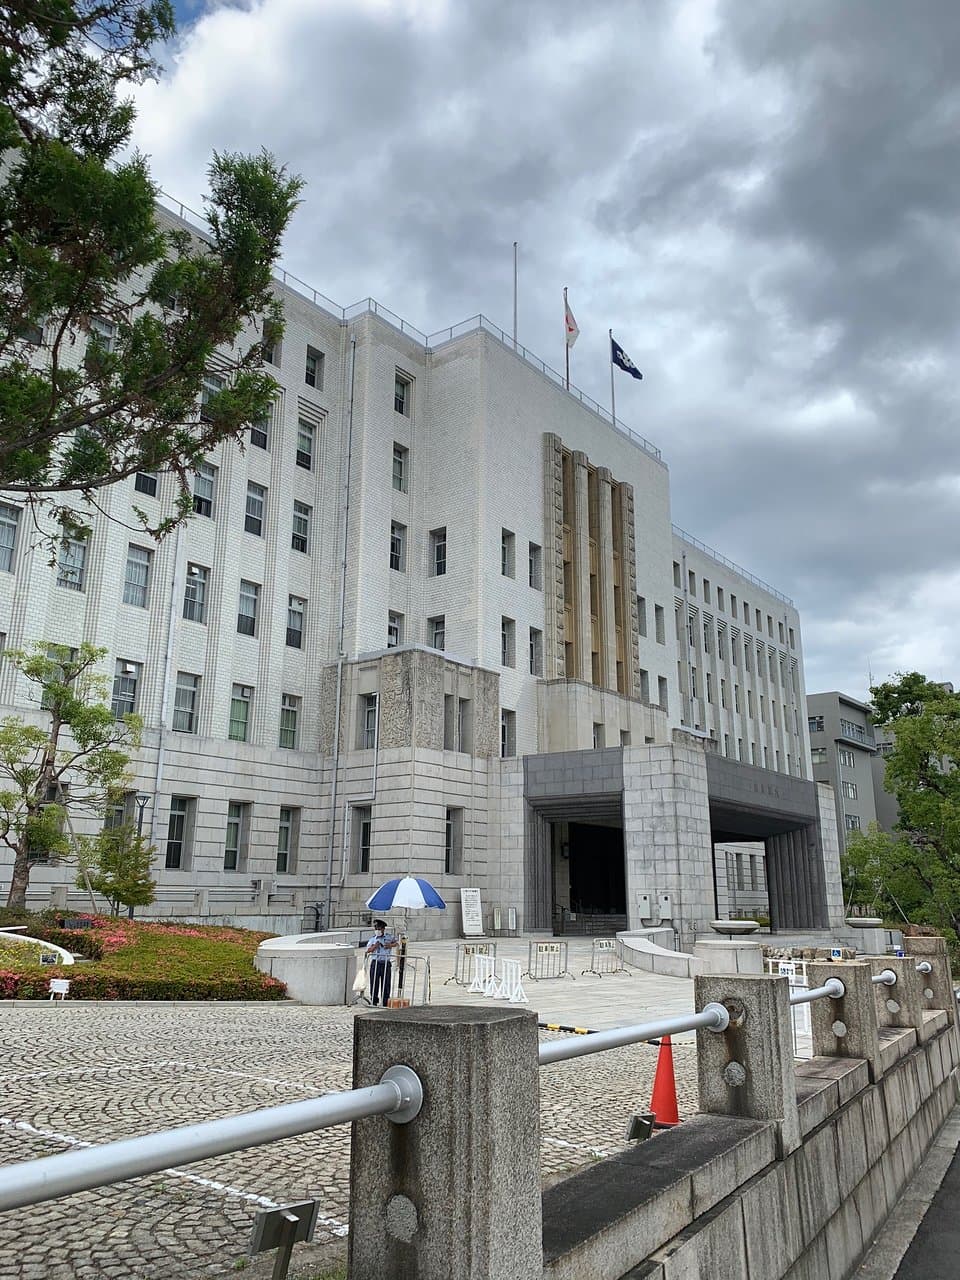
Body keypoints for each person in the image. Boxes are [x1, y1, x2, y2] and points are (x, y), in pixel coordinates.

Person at [365, 919, 398, 1006]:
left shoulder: (388, 937)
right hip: (376, 962)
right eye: (375, 928)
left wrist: (390, 945)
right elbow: (368, 950)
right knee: (374, 982)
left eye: (379, 928)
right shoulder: (373, 939)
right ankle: (374, 1001)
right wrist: (375, 946)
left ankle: (385, 1001)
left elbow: (396, 943)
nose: (377, 930)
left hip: (385, 963)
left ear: (383, 929)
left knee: (386, 983)